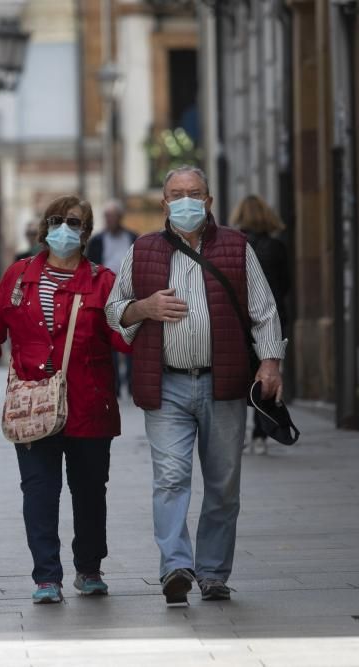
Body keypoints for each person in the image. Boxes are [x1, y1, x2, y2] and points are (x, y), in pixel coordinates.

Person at [105, 166, 286, 605]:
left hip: (223, 383)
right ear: (164, 202)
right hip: (166, 385)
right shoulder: (143, 249)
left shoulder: (237, 247)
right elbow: (114, 310)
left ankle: (213, 573)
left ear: (208, 199)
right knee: (170, 478)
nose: (186, 200)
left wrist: (270, 363)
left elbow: (264, 310)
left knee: (223, 484)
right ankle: (175, 567)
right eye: (177, 193)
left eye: (195, 193)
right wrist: (144, 307)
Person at [0, 195, 131, 604]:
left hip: (90, 404)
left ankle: (89, 567)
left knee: (90, 490)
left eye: (73, 222)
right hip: (32, 405)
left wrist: (141, 318)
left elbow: (122, 338)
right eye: (56, 220)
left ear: (86, 232)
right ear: (44, 227)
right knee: (39, 490)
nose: (63, 229)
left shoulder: (103, 281)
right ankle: (47, 576)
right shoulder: (19, 277)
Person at [230, 194, 291, 455]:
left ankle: (239, 432)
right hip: (274, 317)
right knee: (266, 374)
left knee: (242, 374)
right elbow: (287, 283)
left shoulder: (237, 245)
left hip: (243, 319)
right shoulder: (276, 247)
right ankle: (260, 432)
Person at [85, 200, 138, 397]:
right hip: (105, 293)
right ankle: (114, 386)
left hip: (130, 292)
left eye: (113, 216)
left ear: (120, 217)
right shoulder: (97, 241)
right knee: (109, 339)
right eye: (107, 216)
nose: (110, 220)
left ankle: (133, 385)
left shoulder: (132, 237)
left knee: (131, 336)